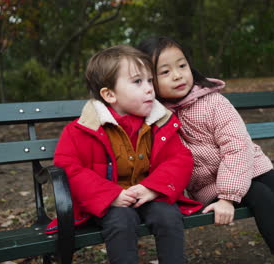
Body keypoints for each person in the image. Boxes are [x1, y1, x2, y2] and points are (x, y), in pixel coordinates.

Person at [138, 37, 274, 264]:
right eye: (165, 72)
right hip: (208, 185)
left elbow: (237, 147)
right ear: (149, 81)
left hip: (248, 167)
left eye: (182, 66)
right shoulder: (156, 117)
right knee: (263, 196)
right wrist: (224, 198)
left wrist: (229, 196)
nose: (177, 75)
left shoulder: (213, 103)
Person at [45, 45, 202, 264]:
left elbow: (180, 159)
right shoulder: (82, 129)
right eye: (138, 82)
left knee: (167, 215)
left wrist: (152, 188)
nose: (149, 88)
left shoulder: (159, 122)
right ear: (109, 94)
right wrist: (111, 196)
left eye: (149, 80)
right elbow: (68, 167)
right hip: (106, 202)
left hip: (148, 193)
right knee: (121, 221)